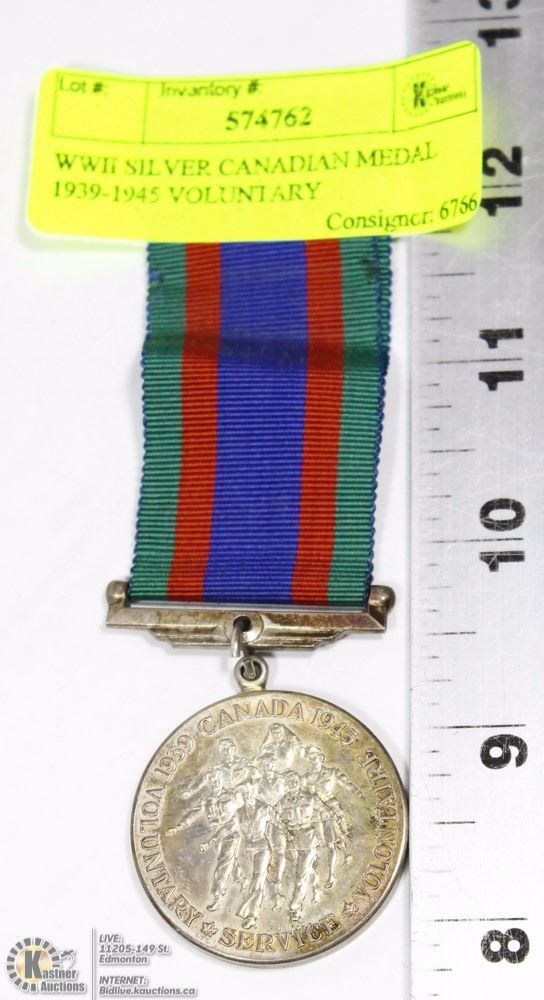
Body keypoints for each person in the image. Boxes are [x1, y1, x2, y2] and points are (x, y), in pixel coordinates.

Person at [165, 768, 244, 911]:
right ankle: (240, 876)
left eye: (216, 779)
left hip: (229, 835)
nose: (214, 782)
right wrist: (178, 828)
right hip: (217, 838)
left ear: (221, 779)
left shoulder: (231, 797)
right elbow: (193, 814)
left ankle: (218, 897)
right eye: (211, 780)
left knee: (223, 866)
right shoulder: (207, 801)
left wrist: (209, 842)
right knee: (227, 861)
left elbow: (231, 825)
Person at [302, 745, 363, 887]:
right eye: (310, 757)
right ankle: (343, 855)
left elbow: (348, 785)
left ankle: (331, 876)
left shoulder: (332, 773)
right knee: (320, 843)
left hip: (331, 809)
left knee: (331, 843)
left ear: (320, 757)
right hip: (315, 813)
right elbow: (303, 796)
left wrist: (361, 795)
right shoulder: (306, 778)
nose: (312, 759)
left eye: (314, 756)